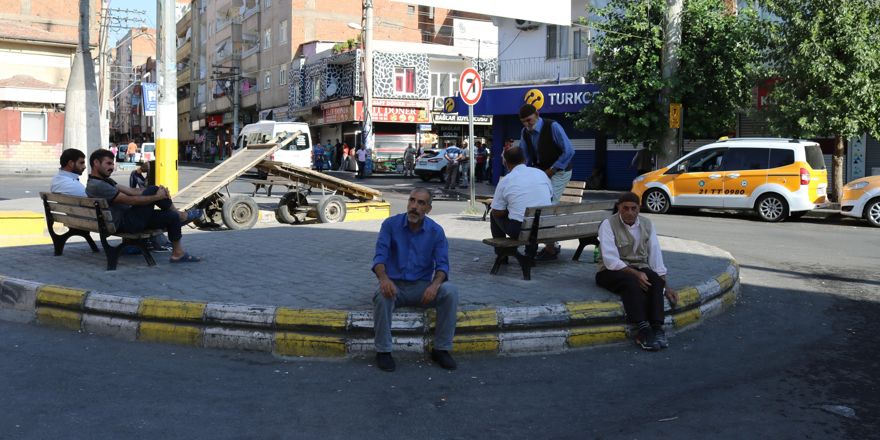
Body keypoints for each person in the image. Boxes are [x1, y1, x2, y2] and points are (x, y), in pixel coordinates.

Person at [372, 188, 459, 372]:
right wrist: (384, 278)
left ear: (428, 208)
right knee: (381, 296)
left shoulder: (436, 231)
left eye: (421, 203)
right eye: (412, 201)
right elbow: (379, 258)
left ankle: (441, 349)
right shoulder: (390, 225)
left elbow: (443, 266)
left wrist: (435, 286)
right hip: (394, 287)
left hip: (422, 288)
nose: (414, 206)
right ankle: (384, 351)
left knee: (450, 291)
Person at [85, 149, 202, 263]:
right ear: (96, 163)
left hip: (127, 219)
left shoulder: (105, 181)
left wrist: (159, 193)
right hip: (125, 223)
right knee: (153, 190)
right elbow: (131, 200)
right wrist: (157, 196)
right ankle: (181, 215)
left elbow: (131, 191)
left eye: (113, 163)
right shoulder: (98, 185)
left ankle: (178, 253)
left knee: (171, 216)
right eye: (108, 163)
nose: (112, 167)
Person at [595, 192, 678, 351]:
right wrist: (635, 273)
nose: (629, 212)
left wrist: (665, 286)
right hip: (609, 271)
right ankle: (642, 330)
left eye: (634, 208)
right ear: (619, 207)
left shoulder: (647, 224)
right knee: (631, 282)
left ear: (639, 208)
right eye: (625, 208)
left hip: (639, 267)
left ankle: (657, 327)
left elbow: (655, 255)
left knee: (655, 279)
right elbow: (611, 260)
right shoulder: (608, 224)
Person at [519, 103, 575, 261]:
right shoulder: (525, 132)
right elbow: (525, 157)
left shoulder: (553, 126)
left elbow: (569, 151)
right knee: (534, 204)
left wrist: (552, 169)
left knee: (547, 205)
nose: (527, 124)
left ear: (537, 114)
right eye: (524, 121)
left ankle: (551, 247)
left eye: (529, 120)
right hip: (540, 172)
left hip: (560, 171)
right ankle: (544, 245)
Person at [490, 146, 552, 261]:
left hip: (522, 231)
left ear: (506, 163)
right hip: (546, 227)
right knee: (533, 218)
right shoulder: (541, 174)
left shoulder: (506, 180)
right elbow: (550, 196)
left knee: (493, 214)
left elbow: (497, 212)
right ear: (525, 160)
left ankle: (502, 254)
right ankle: (530, 252)